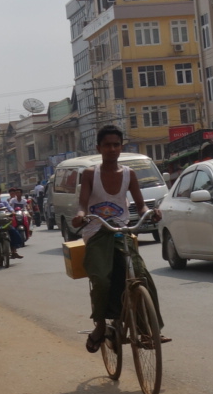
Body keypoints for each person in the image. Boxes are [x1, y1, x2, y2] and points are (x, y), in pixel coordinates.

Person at [71, 125, 167, 353]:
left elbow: (140, 204)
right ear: (99, 148)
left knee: (140, 275)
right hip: (97, 232)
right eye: (107, 145)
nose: (112, 149)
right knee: (101, 280)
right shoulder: (90, 174)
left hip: (121, 231)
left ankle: (148, 329)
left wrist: (150, 212)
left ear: (121, 147)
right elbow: (83, 204)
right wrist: (81, 215)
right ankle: (100, 325)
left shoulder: (128, 174)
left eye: (116, 145)